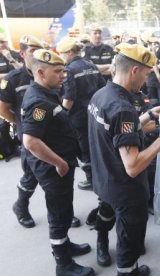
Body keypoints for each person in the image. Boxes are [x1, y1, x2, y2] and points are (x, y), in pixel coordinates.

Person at [88, 43, 160, 275]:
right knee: (130, 242)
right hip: (125, 190)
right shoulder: (122, 106)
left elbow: (115, 132)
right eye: (146, 74)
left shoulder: (101, 94)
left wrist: (147, 115)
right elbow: (134, 166)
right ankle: (128, 271)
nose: (147, 81)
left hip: (105, 179)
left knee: (119, 230)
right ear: (134, 71)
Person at [21, 49, 93, 275]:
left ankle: (65, 245)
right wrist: (59, 163)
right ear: (41, 72)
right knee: (59, 213)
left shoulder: (46, 92)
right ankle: (63, 264)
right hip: (54, 168)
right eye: (59, 71)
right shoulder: (39, 102)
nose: (64, 75)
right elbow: (31, 141)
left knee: (64, 208)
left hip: (61, 163)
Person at [0, 35, 43, 228]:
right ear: (22, 53)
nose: (37, 55)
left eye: (39, 50)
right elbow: (3, 108)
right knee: (31, 174)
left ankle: (60, 211)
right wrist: (19, 124)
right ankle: (21, 206)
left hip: (50, 132)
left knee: (55, 176)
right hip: (29, 135)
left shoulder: (45, 72)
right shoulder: (13, 79)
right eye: (32, 51)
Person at [56, 37, 106, 191]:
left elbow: (69, 97)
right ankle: (101, 175)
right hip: (95, 113)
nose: (61, 57)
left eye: (62, 54)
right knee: (97, 145)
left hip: (78, 117)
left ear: (70, 52)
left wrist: (62, 116)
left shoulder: (69, 70)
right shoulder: (91, 65)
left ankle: (91, 179)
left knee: (84, 149)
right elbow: (103, 88)